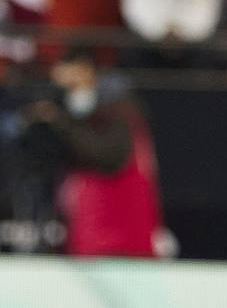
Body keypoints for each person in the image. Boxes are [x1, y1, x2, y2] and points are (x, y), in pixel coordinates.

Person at [23, 49, 163, 258]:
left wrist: (62, 123)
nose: (66, 95)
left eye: (71, 86)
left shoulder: (119, 110)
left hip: (120, 236)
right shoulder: (75, 114)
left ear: (86, 71)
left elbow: (109, 157)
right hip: (88, 234)